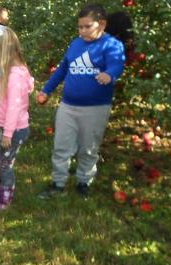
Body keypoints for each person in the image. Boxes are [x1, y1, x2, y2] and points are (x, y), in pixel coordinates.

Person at [36, 3, 125, 198]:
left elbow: (117, 64)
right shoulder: (76, 44)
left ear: (101, 24)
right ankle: (58, 184)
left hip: (95, 109)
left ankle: (84, 182)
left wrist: (109, 74)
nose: (82, 30)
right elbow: (62, 69)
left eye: (87, 26)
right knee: (61, 146)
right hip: (68, 106)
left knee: (89, 148)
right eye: (80, 27)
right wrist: (46, 90)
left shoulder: (111, 45)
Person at [0, 29, 33, 210]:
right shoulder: (17, 72)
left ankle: (4, 201)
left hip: (13, 130)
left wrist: (7, 134)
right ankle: (1, 191)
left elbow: (14, 108)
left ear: (6, 56)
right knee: (0, 159)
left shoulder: (14, 77)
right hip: (9, 129)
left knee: (5, 165)